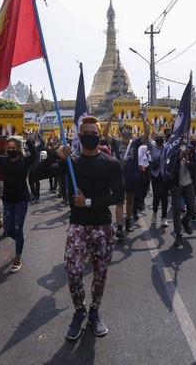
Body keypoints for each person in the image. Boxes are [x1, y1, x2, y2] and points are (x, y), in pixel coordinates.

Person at [34, 116, 124, 340]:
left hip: (102, 226)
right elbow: (35, 174)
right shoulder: (71, 163)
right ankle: (79, 310)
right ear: (79, 135)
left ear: (100, 134)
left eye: (94, 132)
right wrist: (56, 154)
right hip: (78, 226)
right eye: (86, 132)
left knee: (100, 274)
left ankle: (94, 311)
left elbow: (119, 195)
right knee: (73, 272)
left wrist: (89, 202)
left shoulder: (110, 163)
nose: (90, 135)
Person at [0, 137, 37, 273]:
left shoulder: (25, 160)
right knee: (9, 229)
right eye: (9, 148)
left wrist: (29, 140)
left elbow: (35, 154)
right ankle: (19, 238)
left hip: (21, 200)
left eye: (14, 148)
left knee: (18, 228)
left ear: (18, 148)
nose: (11, 150)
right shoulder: (3, 160)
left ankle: (17, 258)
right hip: (7, 199)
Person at [165, 137, 196, 247]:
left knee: (192, 208)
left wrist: (190, 163)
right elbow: (169, 168)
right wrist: (180, 157)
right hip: (175, 185)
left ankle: (185, 221)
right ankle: (178, 236)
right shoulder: (170, 149)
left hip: (189, 183)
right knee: (176, 211)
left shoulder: (191, 148)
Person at [146, 131, 168, 227]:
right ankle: (154, 214)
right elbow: (146, 137)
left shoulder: (167, 147)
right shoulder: (152, 147)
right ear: (155, 138)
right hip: (155, 175)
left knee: (164, 197)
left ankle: (164, 217)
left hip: (164, 175)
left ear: (164, 138)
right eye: (157, 137)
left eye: (161, 137)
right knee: (156, 195)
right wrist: (144, 120)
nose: (159, 138)